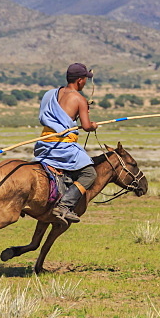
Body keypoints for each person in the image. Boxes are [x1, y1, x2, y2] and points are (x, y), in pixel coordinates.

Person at [34, 63, 100, 225]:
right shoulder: (79, 99)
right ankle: (64, 205)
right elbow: (86, 126)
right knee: (90, 173)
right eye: (85, 79)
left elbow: (61, 118)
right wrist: (93, 125)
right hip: (62, 147)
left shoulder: (50, 94)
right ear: (79, 80)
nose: (85, 83)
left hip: (44, 144)